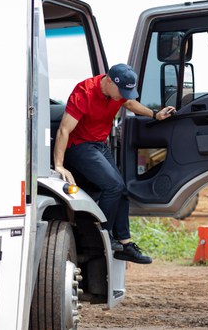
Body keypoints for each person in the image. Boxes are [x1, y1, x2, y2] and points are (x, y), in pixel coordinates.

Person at [54, 63, 176, 264]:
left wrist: (155, 114)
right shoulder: (84, 92)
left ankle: (125, 244)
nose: (123, 96)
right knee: (113, 187)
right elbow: (64, 130)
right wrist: (59, 164)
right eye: (122, 92)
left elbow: (130, 104)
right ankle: (99, 237)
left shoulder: (118, 93)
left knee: (122, 191)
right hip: (80, 146)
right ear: (109, 81)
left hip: (99, 146)